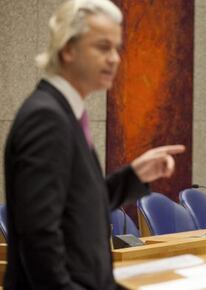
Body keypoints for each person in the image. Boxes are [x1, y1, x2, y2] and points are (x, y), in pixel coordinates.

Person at [3, 1, 185, 289]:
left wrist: (134, 176)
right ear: (68, 49)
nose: (114, 58)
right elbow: (39, 241)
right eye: (102, 47)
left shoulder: (67, 114)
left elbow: (80, 207)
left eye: (116, 48)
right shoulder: (46, 118)